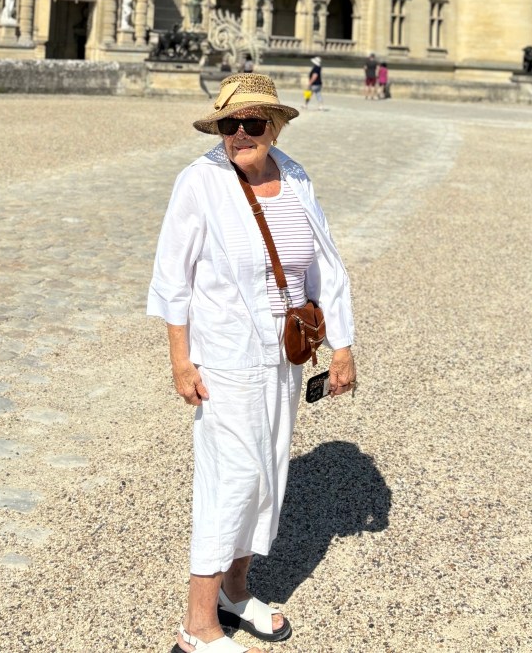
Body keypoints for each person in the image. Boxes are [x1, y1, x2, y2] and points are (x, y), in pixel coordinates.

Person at [148, 73, 356, 653]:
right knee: (233, 477)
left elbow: (325, 267)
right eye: (229, 124)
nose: (240, 134)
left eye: (253, 123)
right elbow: (173, 279)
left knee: (269, 472)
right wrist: (179, 359)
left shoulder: (294, 177)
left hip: (285, 355)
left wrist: (341, 345)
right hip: (225, 354)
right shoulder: (199, 183)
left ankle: (236, 591)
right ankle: (197, 622)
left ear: (275, 126)